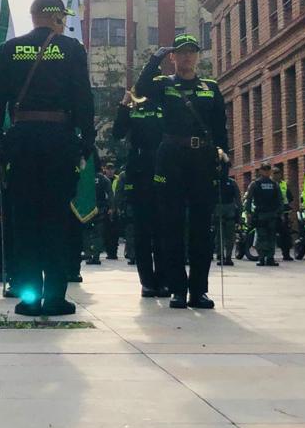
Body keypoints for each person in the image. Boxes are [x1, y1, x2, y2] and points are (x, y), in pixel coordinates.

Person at [0, 0, 94, 317]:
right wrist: (86, 141)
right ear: (58, 17)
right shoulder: (72, 49)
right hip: (59, 142)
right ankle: (55, 297)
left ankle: (29, 297)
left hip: (22, 142)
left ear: (33, 17)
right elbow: (83, 99)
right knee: (57, 220)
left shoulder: (9, 49)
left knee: (24, 221)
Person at [135, 33, 228, 310]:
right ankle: (177, 289)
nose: (187, 57)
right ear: (173, 57)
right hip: (171, 157)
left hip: (202, 159)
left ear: (198, 56)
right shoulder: (163, 85)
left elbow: (220, 126)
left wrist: (224, 155)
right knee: (171, 226)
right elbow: (140, 90)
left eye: (192, 52)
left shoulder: (210, 87)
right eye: (181, 52)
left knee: (202, 227)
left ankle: (199, 291)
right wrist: (154, 59)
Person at [245, 162, 285, 266]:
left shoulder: (266, 184)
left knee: (270, 237)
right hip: (262, 214)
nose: (267, 171)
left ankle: (269, 258)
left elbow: (280, 200)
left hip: (270, 214)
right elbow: (249, 200)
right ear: (261, 171)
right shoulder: (263, 184)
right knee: (263, 236)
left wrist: (279, 212)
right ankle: (262, 258)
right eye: (265, 169)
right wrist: (248, 213)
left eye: (268, 169)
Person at [214, 162, 243, 267]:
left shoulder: (232, 183)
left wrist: (239, 214)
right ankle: (221, 256)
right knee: (220, 237)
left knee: (229, 237)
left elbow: (238, 200)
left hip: (229, 213)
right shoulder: (215, 183)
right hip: (218, 213)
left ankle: (228, 257)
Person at [272, 166, 295, 261]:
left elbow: (290, 198)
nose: (277, 175)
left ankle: (286, 254)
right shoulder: (270, 184)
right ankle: (269, 255)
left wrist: (289, 212)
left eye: (278, 173)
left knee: (285, 234)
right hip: (272, 212)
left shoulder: (284, 185)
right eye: (274, 173)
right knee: (271, 234)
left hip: (284, 212)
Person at [99, 162, 119, 259]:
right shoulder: (101, 180)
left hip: (116, 208)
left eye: (112, 169)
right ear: (105, 169)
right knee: (106, 231)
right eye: (108, 169)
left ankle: (113, 252)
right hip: (106, 208)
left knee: (115, 232)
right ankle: (108, 251)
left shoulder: (118, 179)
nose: (110, 171)